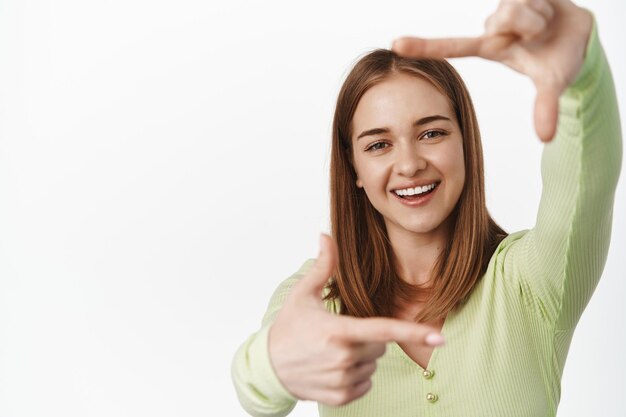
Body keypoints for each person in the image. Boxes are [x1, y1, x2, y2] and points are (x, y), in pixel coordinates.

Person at [232, 0, 622, 416]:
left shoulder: (530, 284)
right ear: (354, 168)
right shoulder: (319, 300)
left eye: (432, 133)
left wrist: (582, 80)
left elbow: (584, 179)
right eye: (379, 144)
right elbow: (255, 390)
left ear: (464, 143)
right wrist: (273, 365)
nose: (410, 164)